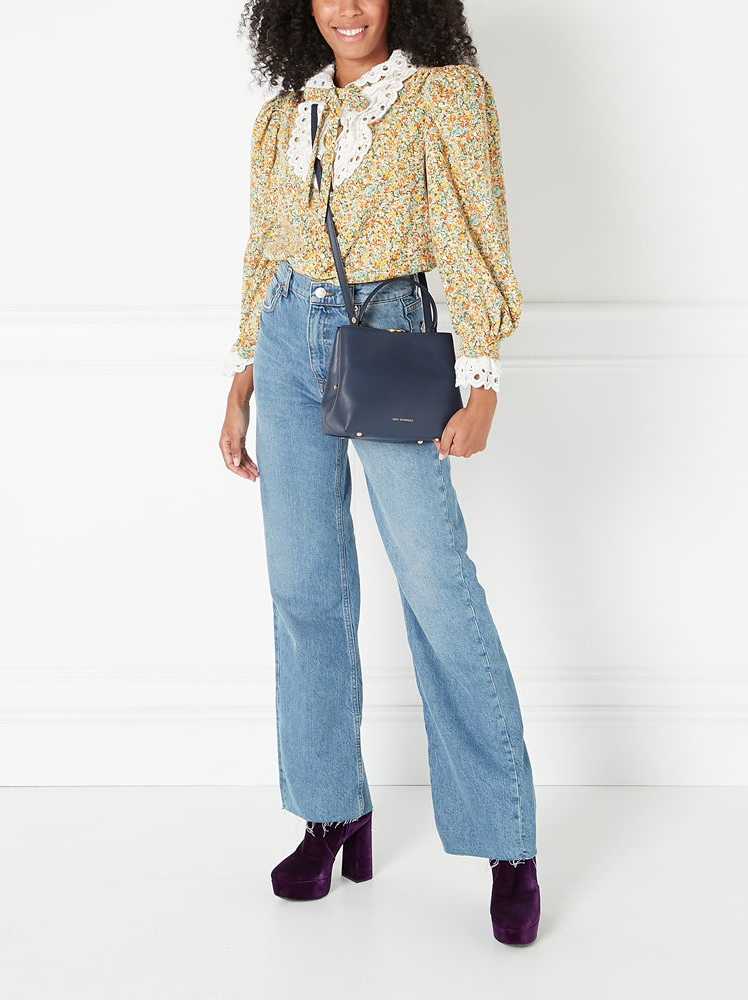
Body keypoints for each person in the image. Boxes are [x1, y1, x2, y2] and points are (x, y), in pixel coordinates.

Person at [219, 0, 540, 946]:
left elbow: (477, 239)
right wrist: (240, 379)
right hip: (284, 343)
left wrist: (480, 380)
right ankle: (330, 810)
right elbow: (261, 251)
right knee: (303, 589)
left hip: (391, 335)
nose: (347, 8)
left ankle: (507, 842)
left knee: (438, 584)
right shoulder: (283, 114)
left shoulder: (446, 98)